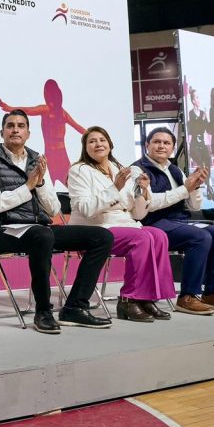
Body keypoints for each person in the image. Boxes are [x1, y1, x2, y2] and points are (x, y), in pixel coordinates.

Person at [0, 110, 113, 334]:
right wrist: (27, 187)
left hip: (40, 228)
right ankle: (43, 311)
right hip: (5, 230)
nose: (15, 130)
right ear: (2, 132)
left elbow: (54, 209)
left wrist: (40, 185)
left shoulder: (37, 159)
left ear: (28, 133)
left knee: (102, 236)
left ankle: (75, 307)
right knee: (42, 235)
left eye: (21, 126)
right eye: (10, 126)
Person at [67, 126, 177, 323]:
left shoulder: (120, 169)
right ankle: (129, 299)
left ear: (110, 145)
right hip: (95, 228)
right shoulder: (79, 170)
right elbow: (85, 209)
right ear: (85, 147)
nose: (98, 144)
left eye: (102, 140)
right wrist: (115, 187)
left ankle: (147, 298)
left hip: (126, 224)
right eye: (92, 141)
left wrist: (143, 192)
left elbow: (138, 214)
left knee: (158, 236)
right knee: (142, 238)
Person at [133, 128, 214, 315]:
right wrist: (185, 189)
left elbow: (194, 206)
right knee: (200, 237)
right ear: (147, 145)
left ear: (173, 148)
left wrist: (196, 186)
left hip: (179, 221)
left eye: (166, 143)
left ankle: (213, 293)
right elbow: (150, 204)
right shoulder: (138, 170)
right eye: (156, 142)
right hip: (153, 222)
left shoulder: (174, 169)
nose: (161, 146)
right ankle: (187, 296)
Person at [0, 79, 86, 191]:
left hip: (55, 156)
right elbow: (79, 128)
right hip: (57, 156)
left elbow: (27, 111)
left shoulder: (49, 110)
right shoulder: (60, 112)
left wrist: (9, 108)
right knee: (56, 189)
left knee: (61, 189)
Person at [186, 88, 214, 199]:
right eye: (197, 98)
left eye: (199, 97)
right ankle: (205, 186)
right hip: (194, 146)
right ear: (193, 101)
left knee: (207, 161)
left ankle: (208, 186)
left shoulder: (203, 113)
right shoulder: (190, 114)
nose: (199, 100)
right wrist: (202, 119)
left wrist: (207, 119)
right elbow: (194, 130)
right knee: (201, 164)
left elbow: (207, 130)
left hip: (202, 145)